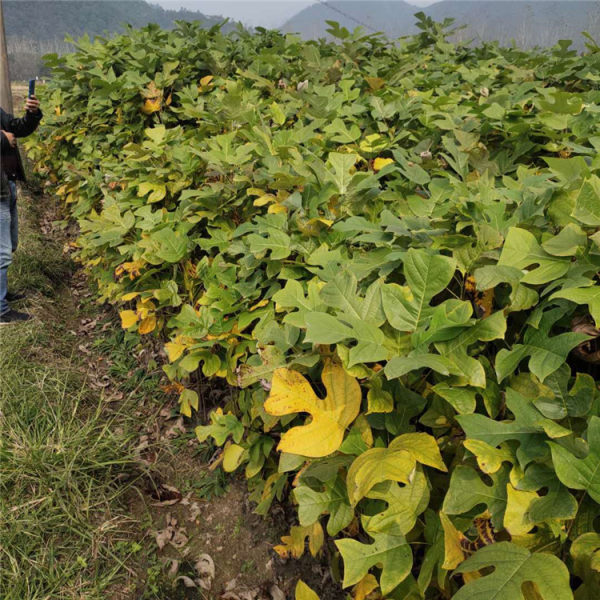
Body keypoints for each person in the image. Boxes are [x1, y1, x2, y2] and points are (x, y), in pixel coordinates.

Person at [0, 94, 42, 324]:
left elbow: (16, 128)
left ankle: (2, 292)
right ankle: (1, 310)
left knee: (10, 244)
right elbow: (7, 135)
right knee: (1, 252)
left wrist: (32, 114)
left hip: (6, 183)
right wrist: (3, 138)